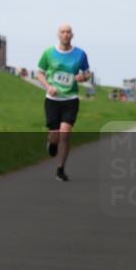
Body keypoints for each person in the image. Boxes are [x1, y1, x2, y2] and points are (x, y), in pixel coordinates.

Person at [36, 24, 92, 182]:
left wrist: (83, 77)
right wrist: (48, 86)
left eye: (68, 32)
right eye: (63, 32)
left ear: (72, 35)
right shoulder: (49, 53)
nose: (66, 35)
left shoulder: (80, 54)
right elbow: (39, 73)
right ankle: (51, 142)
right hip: (52, 100)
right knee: (55, 136)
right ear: (58, 35)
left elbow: (87, 72)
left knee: (65, 133)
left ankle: (60, 169)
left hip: (71, 99)